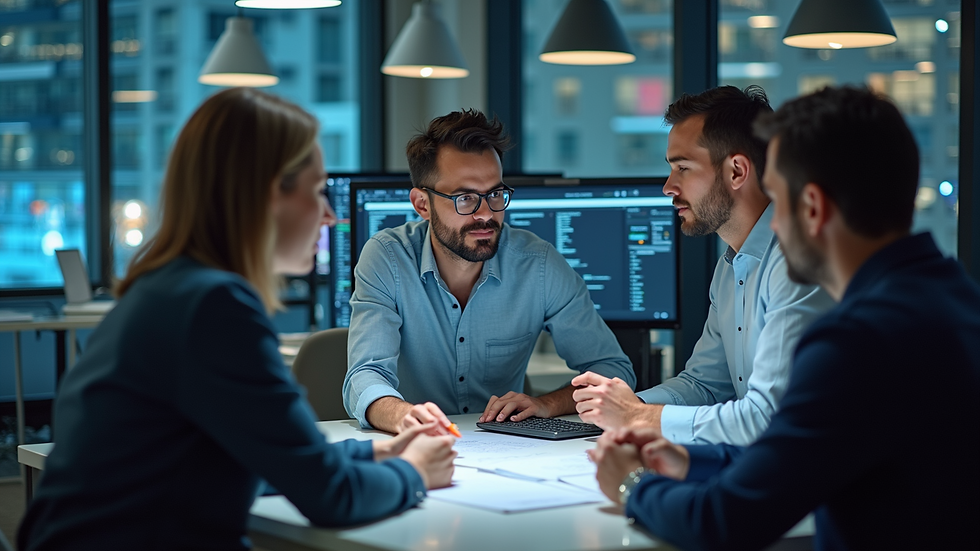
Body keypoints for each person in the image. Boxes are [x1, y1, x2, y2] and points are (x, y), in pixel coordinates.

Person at [18, 88, 456, 551]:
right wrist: (415, 473)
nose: (328, 216)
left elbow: (261, 459)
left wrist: (376, 450)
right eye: (315, 191)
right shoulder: (214, 309)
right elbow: (330, 496)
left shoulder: (171, 289)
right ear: (268, 196)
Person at [589, 85, 980, 550]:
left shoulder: (856, 341)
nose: (772, 224)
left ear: (812, 207)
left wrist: (631, 484)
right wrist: (696, 465)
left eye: (779, 198)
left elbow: (725, 522)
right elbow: (813, 452)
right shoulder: (956, 299)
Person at [343, 109, 635, 433]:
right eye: (465, 198)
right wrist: (403, 417)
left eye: (495, 194)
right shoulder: (386, 258)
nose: (485, 214)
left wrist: (545, 404)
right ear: (422, 204)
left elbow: (613, 371)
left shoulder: (537, 264)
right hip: (413, 447)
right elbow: (365, 376)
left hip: (509, 448)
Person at [573, 85, 832, 445]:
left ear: (737, 171)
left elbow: (768, 416)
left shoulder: (796, 263)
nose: (668, 187)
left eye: (683, 168)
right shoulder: (730, 266)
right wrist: (623, 404)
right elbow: (705, 385)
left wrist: (637, 416)